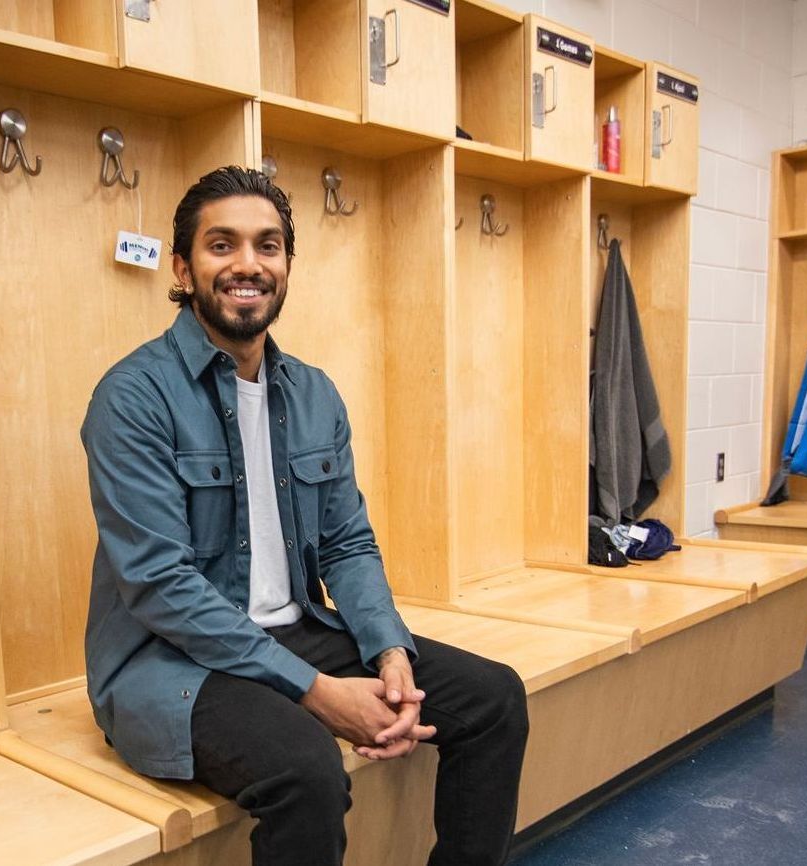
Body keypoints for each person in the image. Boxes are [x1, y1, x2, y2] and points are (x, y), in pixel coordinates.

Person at [81, 166, 529, 866]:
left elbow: (347, 542)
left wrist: (389, 653)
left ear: (287, 264)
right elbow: (159, 582)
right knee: (306, 768)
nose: (247, 264)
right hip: (168, 661)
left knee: (493, 698)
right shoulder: (133, 396)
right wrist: (317, 693)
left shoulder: (313, 394)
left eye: (267, 245)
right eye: (221, 245)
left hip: (292, 632)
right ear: (182, 266)